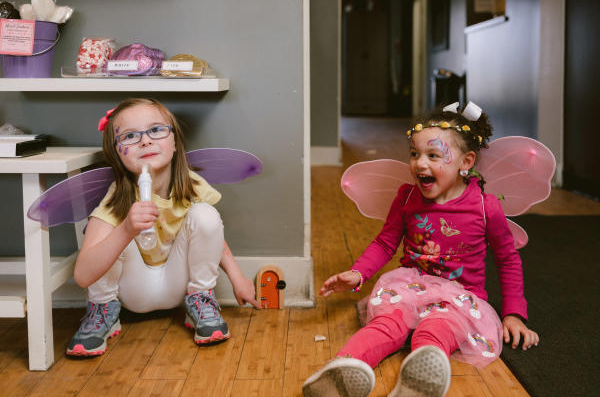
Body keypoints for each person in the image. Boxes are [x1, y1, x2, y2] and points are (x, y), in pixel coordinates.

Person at [302, 102, 539, 397]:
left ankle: (418, 384)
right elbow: (385, 242)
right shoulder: (407, 197)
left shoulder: (484, 206)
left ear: (465, 162)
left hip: (459, 298)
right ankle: (340, 371)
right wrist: (358, 273)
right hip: (409, 286)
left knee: (437, 329)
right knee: (386, 324)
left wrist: (514, 313)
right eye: (414, 154)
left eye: (433, 155)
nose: (420, 164)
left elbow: (507, 260)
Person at [66, 98, 260, 357]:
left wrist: (237, 278)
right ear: (116, 153)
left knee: (206, 214)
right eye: (131, 136)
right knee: (108, 232)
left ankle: (201, 299)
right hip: (132, 293)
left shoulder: (192, 186)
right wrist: (126, 229)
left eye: (156, 130)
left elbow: (211, 236)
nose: (145, 141)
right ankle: (102, 310)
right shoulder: (115, 200)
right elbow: (82, 275)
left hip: (177, 285)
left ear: (175, 143)